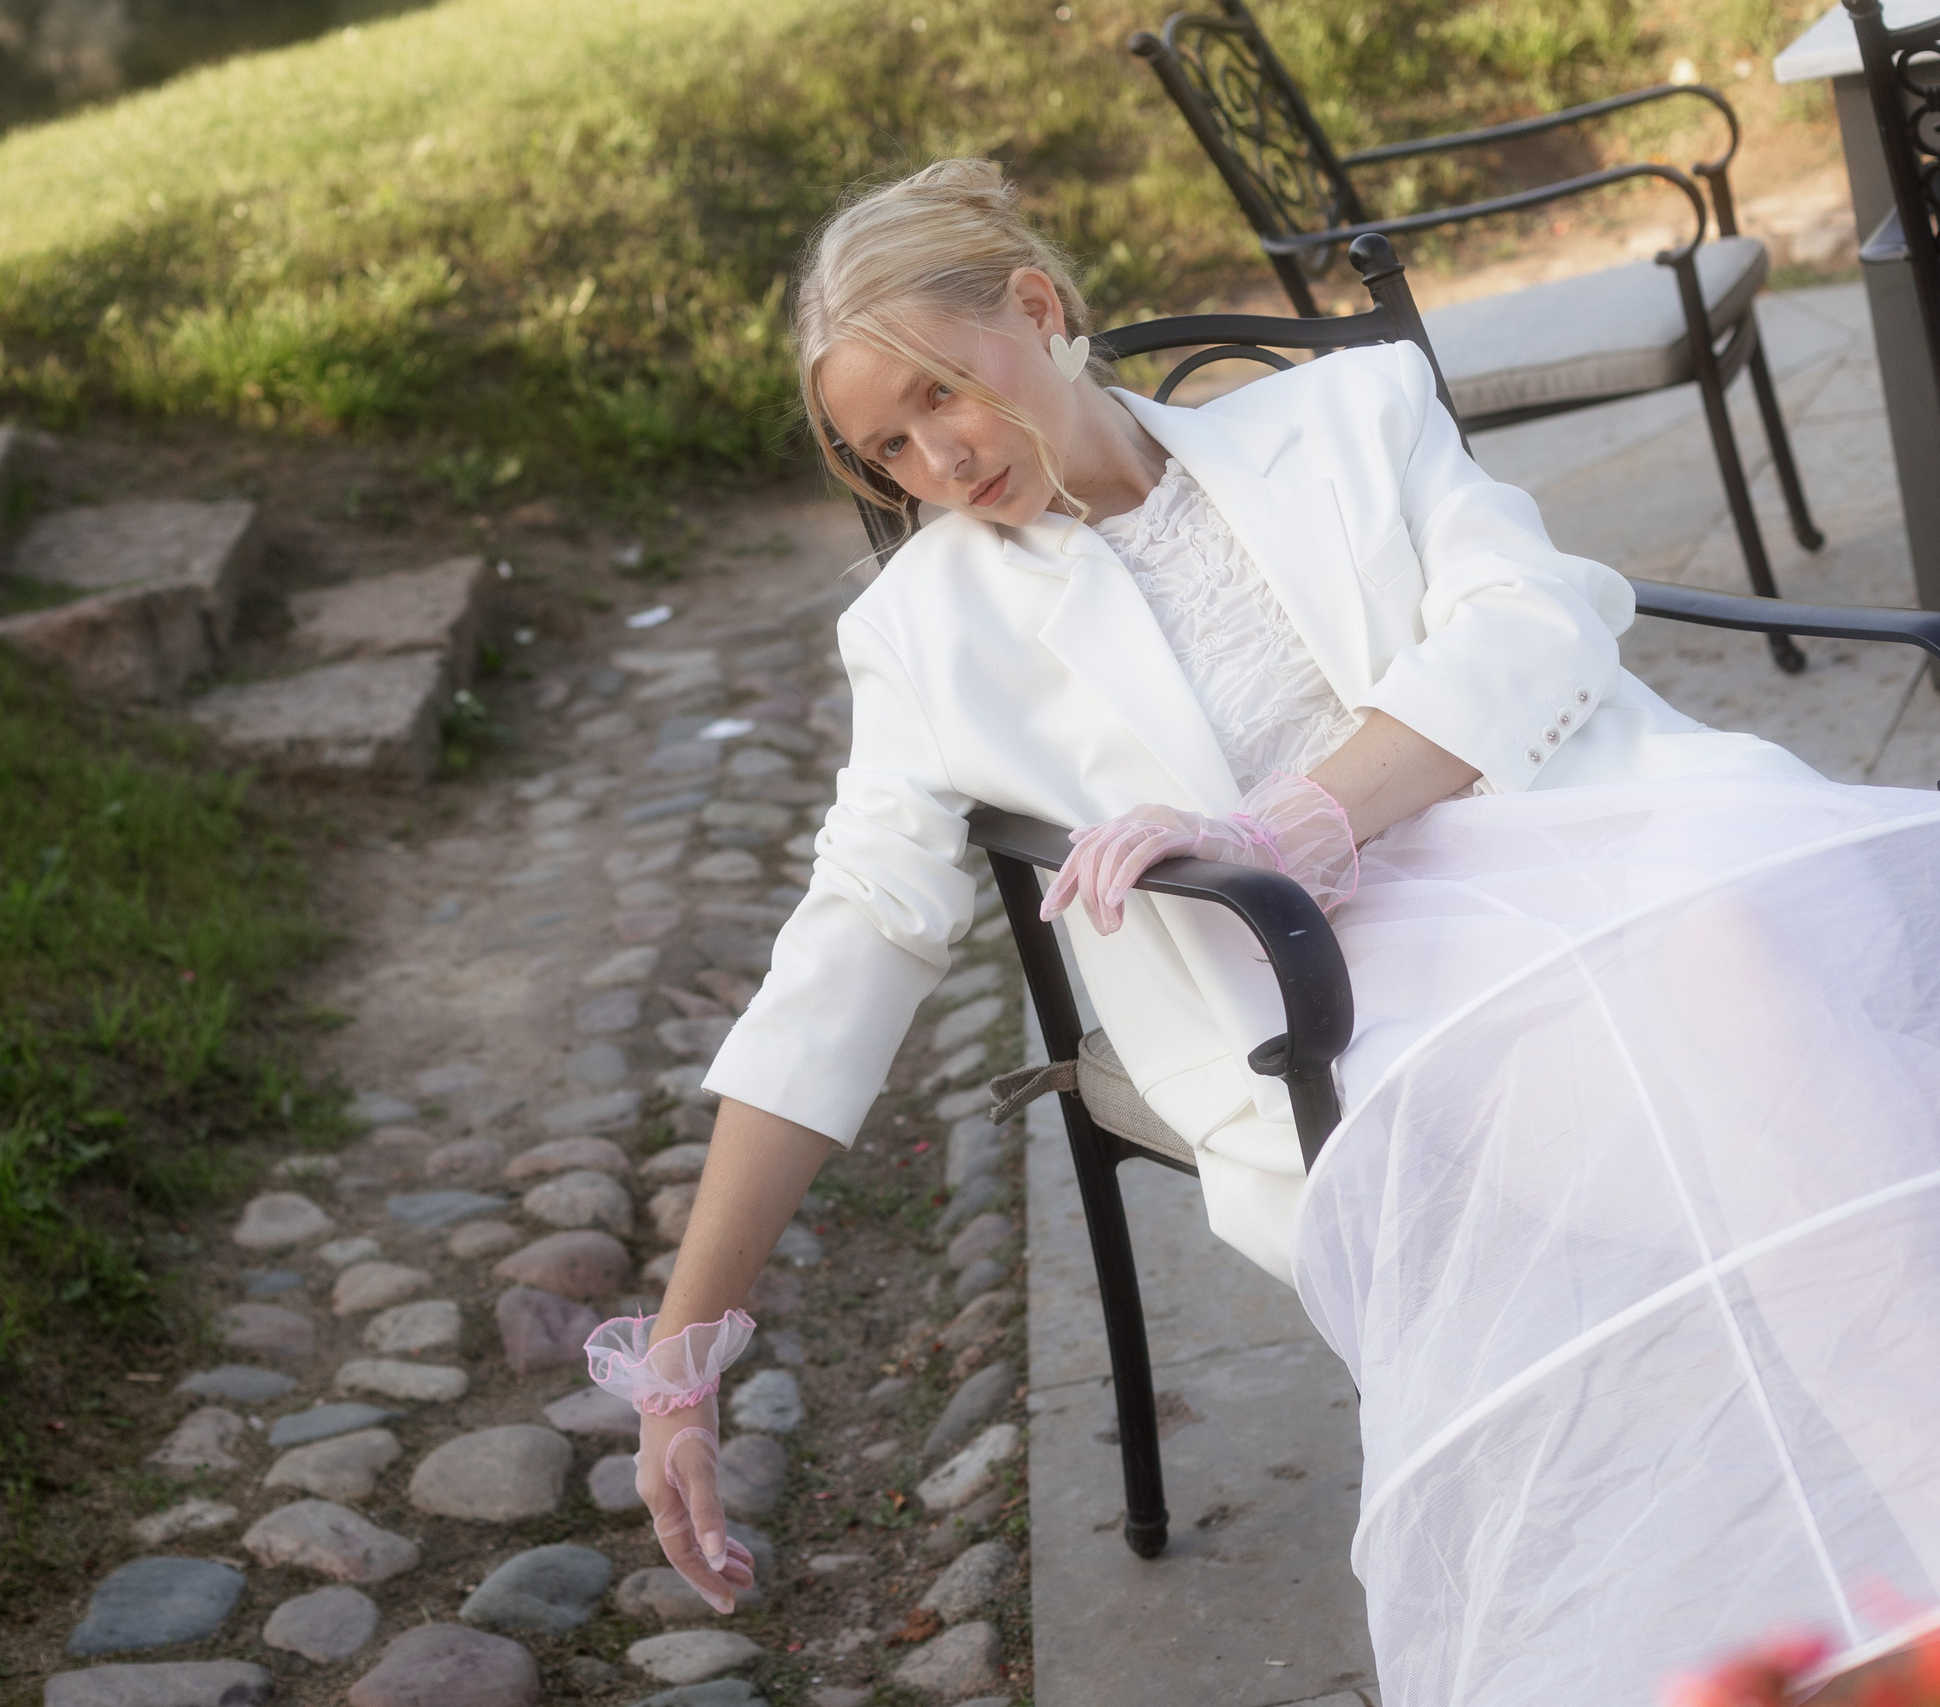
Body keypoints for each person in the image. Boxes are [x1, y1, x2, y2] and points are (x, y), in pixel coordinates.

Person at [583, 158, 1940, 1707]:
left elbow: (1537, 614)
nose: (936, 462)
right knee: (1764, 1037)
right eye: (883, 445)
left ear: (1041, 306)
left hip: (1603, 840)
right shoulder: (919, 634)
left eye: (943, 394)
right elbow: (853, 940)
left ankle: (1862, 1572)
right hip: (1340, 999)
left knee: (1736, 976)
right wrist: (684, 1356)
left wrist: (1298, 818)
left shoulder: (1352, 413)